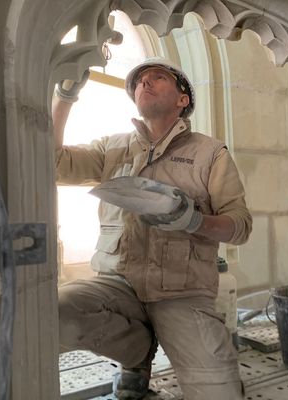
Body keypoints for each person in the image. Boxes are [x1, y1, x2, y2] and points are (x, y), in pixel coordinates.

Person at [52, 58, 252, 400]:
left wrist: (195, 221)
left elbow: (240, 226)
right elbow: (51, 162)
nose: (144, 83)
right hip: (117, 286)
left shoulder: (209, 154)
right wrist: (66, 95)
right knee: (54, 310)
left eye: (157, 78)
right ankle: (137, 353)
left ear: (182, 99)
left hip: (182, 293)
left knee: (220, 393)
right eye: (139, 82)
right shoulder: (110, 148)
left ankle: (167, 345)